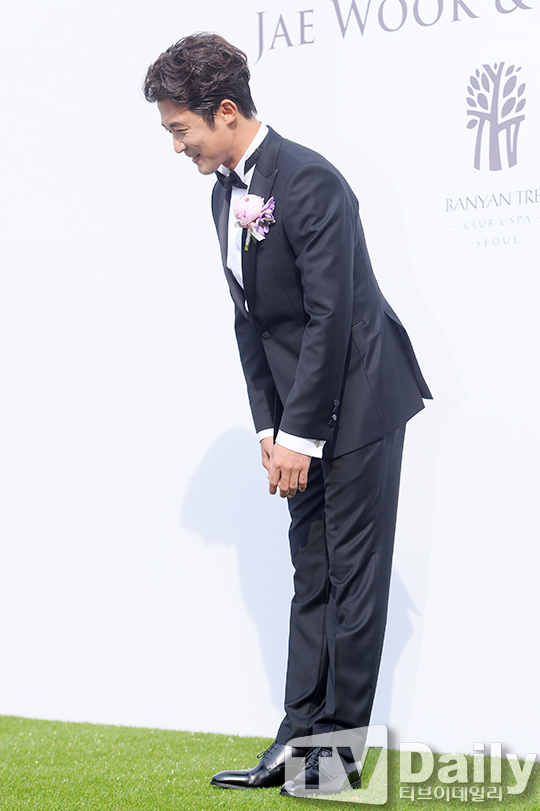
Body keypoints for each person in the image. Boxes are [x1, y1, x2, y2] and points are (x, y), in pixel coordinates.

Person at [144, 32, 432, 797]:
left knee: (353, 580)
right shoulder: (224, 194)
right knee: (312, 571)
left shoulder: (311, 182)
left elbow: (331, 318)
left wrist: (301, 434)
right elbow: (252, 323)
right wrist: (271, 431)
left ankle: (333, 759)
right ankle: (295, 737)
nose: (176, 146)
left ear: (225, 110)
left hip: (363, 397)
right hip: (299, 409)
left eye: (180, 129)